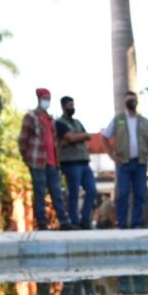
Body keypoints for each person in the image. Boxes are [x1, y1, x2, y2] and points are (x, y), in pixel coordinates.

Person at [101, 91, 148, 229]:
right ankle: (122, 224)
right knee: (123, 193)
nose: (131, 101)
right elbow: (104, 136)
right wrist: (111, 155)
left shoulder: (144, 121)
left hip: (141, 163)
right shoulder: (118, 119)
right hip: (123, 163)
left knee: (140, 194)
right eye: (128, 99)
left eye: (133, 99)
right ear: (124, 102)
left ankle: (136, 223)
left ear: (137, 101)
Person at [18, 87, 72, 230]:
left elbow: (54, 141)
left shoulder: (50, 119)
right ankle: (42, 223)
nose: (47, 101)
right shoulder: (31, 117)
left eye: (48, 99)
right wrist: (26, 158)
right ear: (39, 99)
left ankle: (64, 221)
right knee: (40, 192)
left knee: (57, 192)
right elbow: (23, 139)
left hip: (52, 162)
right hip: (37, 161)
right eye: (45, 98)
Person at [55, 96, 98, 230]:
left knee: (92, 190)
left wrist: (76, 137)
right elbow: (71, 138)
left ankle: (85, 220)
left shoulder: (77, 122)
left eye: (73, 105)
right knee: (73, 192)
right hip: (70, 162)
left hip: (84, 161)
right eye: (69, 105)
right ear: (63, 106)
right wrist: (79, 137)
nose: (72, 108)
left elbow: (87, 136)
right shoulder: (59, 123)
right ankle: (74, 221)